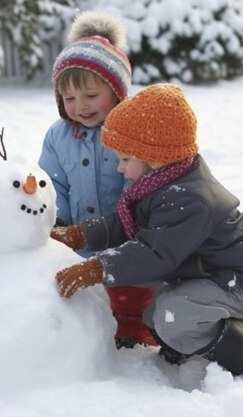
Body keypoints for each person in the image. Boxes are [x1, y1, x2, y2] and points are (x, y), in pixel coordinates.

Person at [52, 83, 243, 384]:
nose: (119, 168)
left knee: (174, 318)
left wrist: (98, 268)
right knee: (155, 316)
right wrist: (80, 235)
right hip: (210, 276)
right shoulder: (162, 183)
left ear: (153, 156)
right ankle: (190, 344)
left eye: (125, 159)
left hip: (240, 282)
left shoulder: (188, 199)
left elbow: (154, 252)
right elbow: (122, 224)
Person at [39, 10, 156, 349]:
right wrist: (57, 222)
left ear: (117, 92)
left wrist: (120, 225)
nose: (80, 106)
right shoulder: (57, 135)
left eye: (91, 96)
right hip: (78, 241)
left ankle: (132, 324)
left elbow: (134, 188)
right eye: (69, 98)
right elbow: (52, 183)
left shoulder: (128, 132)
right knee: (83, 292)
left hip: (124, 234)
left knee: (129, 286)